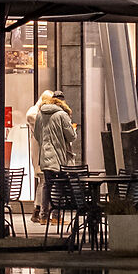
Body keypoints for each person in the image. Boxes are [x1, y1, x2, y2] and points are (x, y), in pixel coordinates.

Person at [30, 89, 79, 220]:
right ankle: (56, 216)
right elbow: (71, 137)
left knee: (47, 184)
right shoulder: (62, 115)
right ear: (62, 101)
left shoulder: (40, 114)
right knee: (59, 185)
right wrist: (73, 130)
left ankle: (43, 216)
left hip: (45, 156)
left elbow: (37, 135)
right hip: (58, 155)